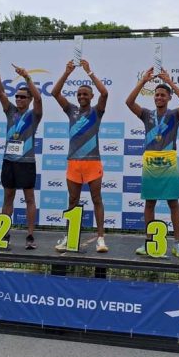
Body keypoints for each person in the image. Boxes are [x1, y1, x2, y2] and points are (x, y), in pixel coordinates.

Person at [125, 67, 179, 258]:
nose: (159, 97)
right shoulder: (147, 114)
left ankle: (177, 244)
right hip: (151, 163)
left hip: (169, 163)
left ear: (169, 98)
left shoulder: (174, 115)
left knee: (173, 203)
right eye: (157, 95)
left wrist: (169, 82)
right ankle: (149, 242)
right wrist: (143, 81)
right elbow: (129, 102)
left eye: (163, 95)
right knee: (149, 204)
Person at [51, 59, 109, 253]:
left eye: (85, 94)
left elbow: (105, 93)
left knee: (97, 199)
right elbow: (55, 93)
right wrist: (67, 72)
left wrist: (89, 72)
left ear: (91, 96)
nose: (82, 96)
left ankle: (100, 239)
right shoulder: (71, 110)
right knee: (73, 201)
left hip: (93, 163)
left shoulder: (97, 111)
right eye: (79, 94)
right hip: (74, 163)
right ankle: (70, 237)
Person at [0, 62, 42, 249]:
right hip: (9, 161)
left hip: (26, 162)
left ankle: (30, 236)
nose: (19, 99)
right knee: (8, 198)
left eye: (23, 97)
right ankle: (3, 234)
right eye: (17, 96)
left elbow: (39, 99)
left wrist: (27, 77)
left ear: (29, 99)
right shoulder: (10, 111)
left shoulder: (34, 114)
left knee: (29, 198)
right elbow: (0, 92)